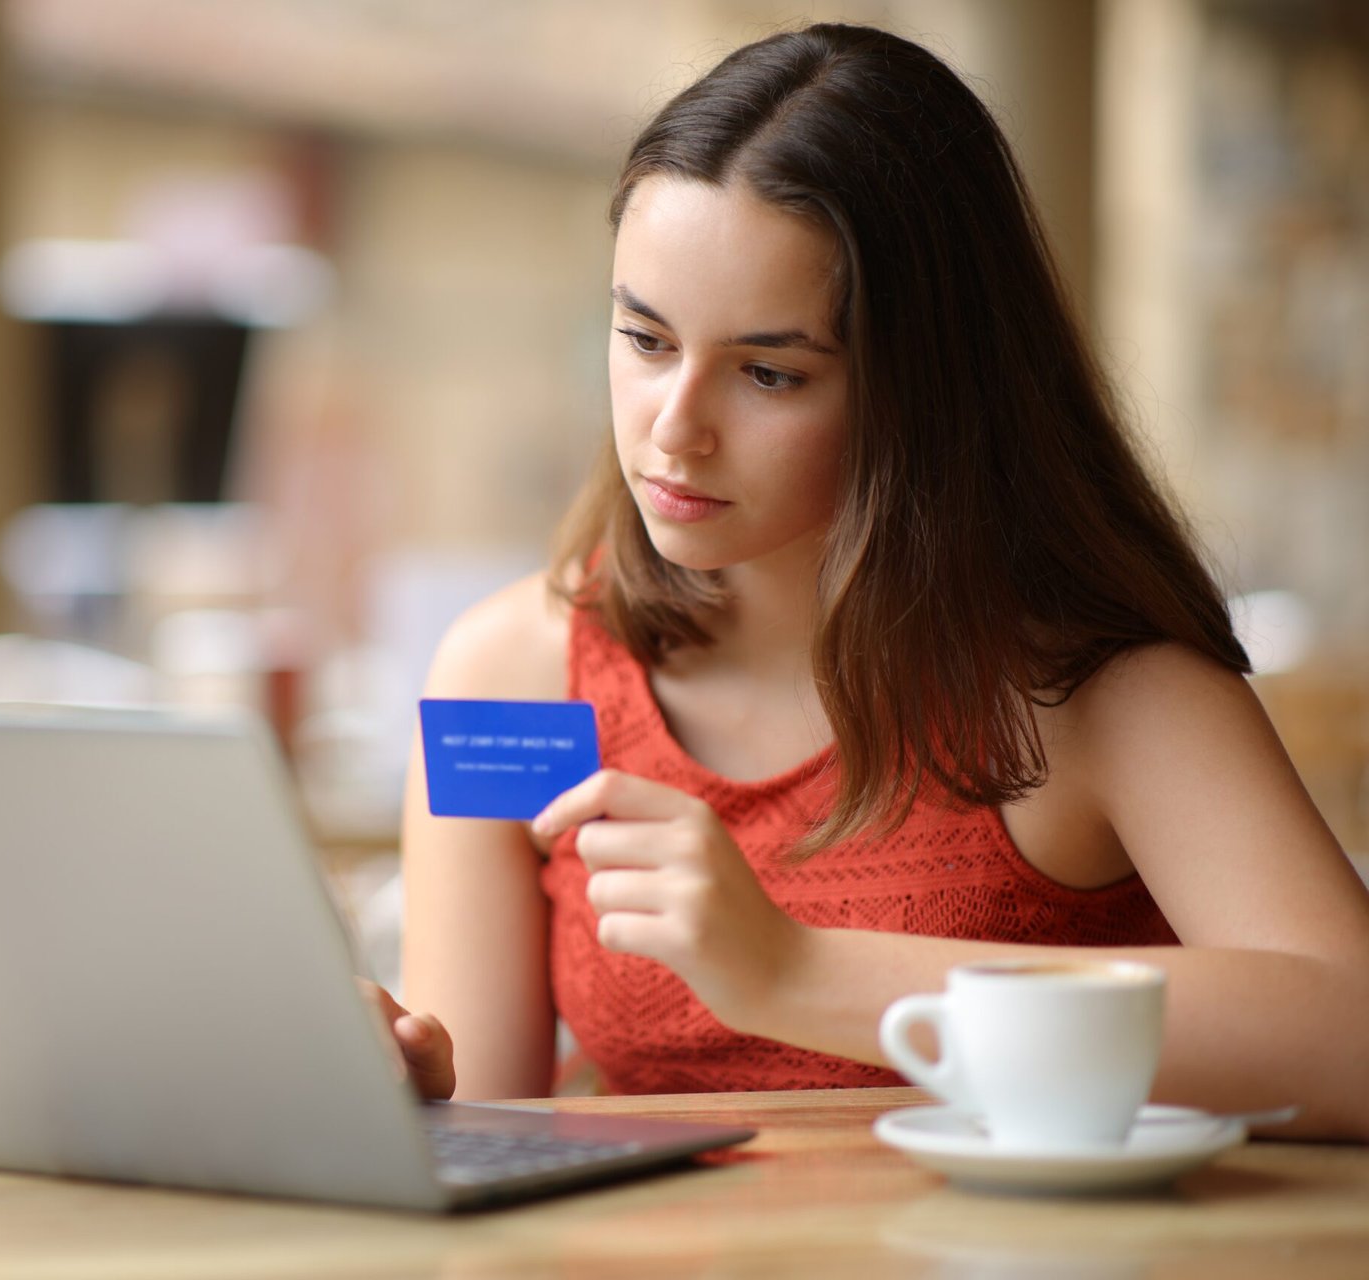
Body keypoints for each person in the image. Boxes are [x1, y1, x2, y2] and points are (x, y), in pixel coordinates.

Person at [364, 22, 1369, 1141]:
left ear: (925, 385)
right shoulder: (514, 673)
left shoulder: (1093, 684)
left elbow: (1355, 1038)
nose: (676, 429)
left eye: (768, 371)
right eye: (646, 340)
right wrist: (398, 1079)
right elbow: (490, 1123)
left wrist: (796, 969)